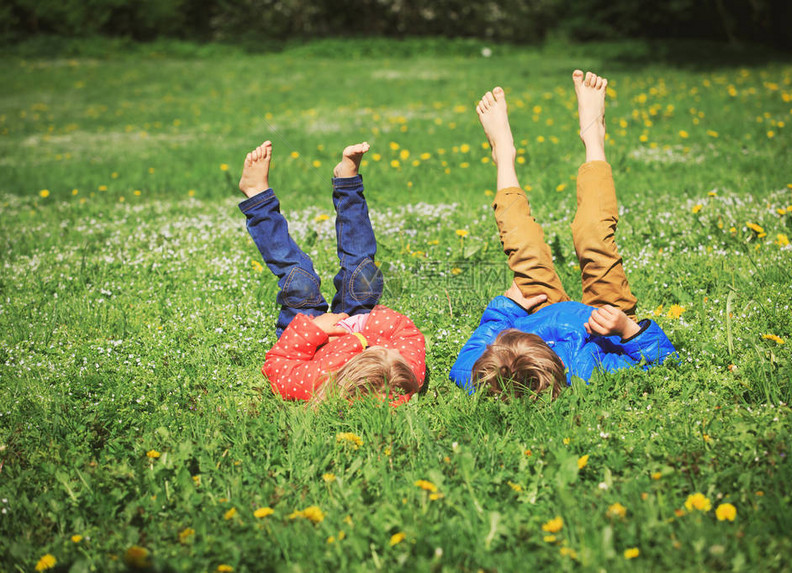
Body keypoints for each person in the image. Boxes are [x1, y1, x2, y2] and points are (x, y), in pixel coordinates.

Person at [449, 70, 676, 398]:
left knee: (522, 243)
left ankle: (504, 156)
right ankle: (594, 137)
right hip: (603, 321)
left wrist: (506, 310)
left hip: (538, 307)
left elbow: (464, 364)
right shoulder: (588, 373)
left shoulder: (486, 374)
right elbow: (665, 363)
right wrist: (626, 329)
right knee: (593, 236)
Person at [238, 140, 426, 405]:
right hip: (358, 323)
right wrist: (361, 326)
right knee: (363, 275)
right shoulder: (405, 376)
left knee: (299, 279)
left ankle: (256, 194)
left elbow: (279, 363)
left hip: (309, 340)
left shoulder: (314, 382)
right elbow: (407, 334)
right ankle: (347, 182)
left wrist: (314, 329)